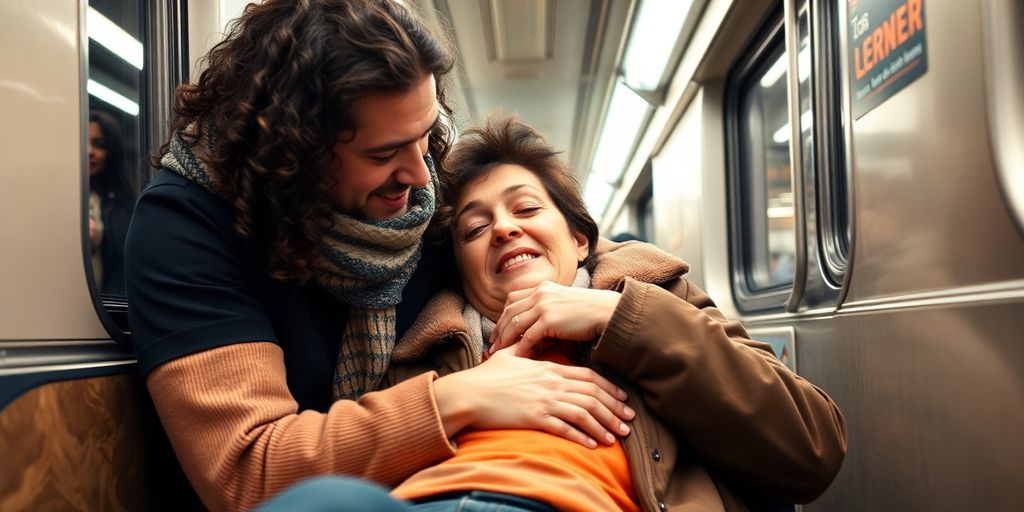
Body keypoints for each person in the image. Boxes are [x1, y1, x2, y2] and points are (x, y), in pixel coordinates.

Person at [124, 2, 633, 511]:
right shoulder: (187, 227)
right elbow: (250, 469)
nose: (419, 174)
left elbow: (560, 250)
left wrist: (626, 313)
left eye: (425, 134)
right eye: (383, 154)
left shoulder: (424, 200)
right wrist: (460, 397)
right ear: (296, 152)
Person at [259, 116, 846, 512]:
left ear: (582, 239)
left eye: (526, 208)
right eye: (475, 227)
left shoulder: (658, 303)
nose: (504, 227)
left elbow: (811, 448)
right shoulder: (421, 351)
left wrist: (620, 319)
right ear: (460, 270)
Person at [88, 110, 135, 294]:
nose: (89, 151)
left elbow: (122, 268)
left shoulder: (124, 205)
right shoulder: (57, 197)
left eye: (99, 144)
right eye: (83, 142)